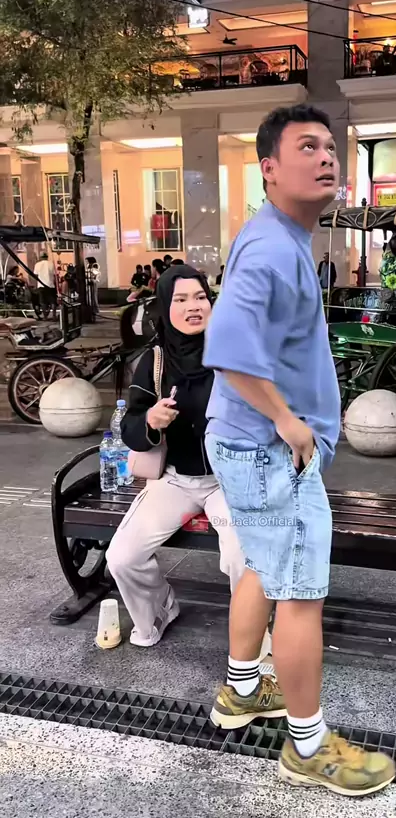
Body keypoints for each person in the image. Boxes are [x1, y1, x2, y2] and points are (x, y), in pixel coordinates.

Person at [203, 104, 395, 795]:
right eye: (307, 147)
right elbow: (228, 348)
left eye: (331, 149)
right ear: (269, 168)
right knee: (302, 594)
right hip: (268, 449)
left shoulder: (280, 237)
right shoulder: (273, 247)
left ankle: (242, 689)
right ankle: (308, 748)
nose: (327, 158)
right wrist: (288, 421)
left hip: (248, 443)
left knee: (265, 566)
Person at [106, 265, 271, 658]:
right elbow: (130, 428)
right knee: (122, 556)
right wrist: (150, 420)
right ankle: (159, 609)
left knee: (242, 554)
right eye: (180, 300)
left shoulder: (235, 352)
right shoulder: (155, 361)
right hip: (176, 480)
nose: (192, 307)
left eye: (199, 297)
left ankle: (252, 635)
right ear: (166, 307)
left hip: (230, 479)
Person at [34, 251, 57, 320]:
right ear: (47, 257)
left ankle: (45, 316)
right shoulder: (51, 264)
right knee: (53, 301)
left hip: (41, 285)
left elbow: (36, 275)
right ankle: (54, 316)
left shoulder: (37, 264)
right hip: (50, 285)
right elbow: (54, 274)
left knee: (43, 302)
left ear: (40, 257)